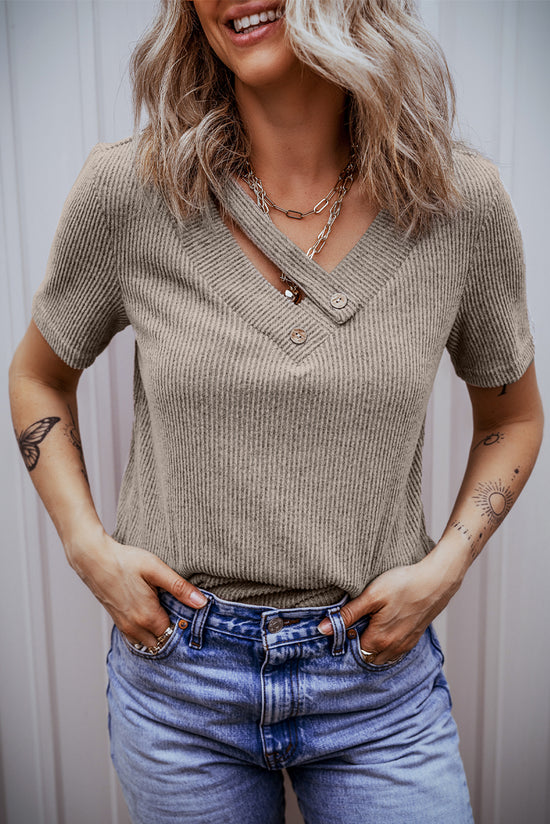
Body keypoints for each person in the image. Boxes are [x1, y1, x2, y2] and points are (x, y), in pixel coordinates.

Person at [8, 1, 544, 822]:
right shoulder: (132, 191)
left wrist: (445, 567)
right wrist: (88, 548)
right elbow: (38, 376)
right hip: (181, 685)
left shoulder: (458, 204)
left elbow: (513, 415)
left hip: (376, 689)